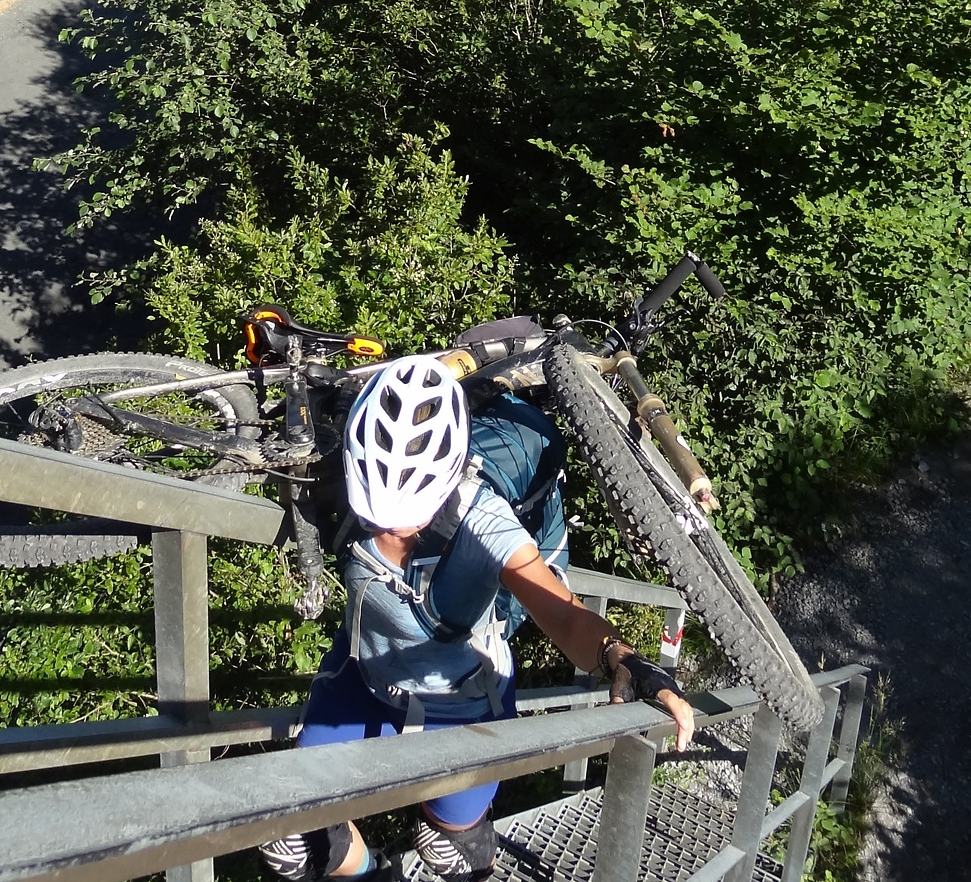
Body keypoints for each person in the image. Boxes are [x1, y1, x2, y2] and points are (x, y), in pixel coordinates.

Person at [260, 354, 696, 882]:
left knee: (454, 851)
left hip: (463, 706)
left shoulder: (482, 519)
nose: (390, 531)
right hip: (365, 677)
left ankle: (451, 835)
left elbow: (562, 612)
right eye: (375, 511)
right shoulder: (344, 475)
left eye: (407, 515)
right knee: (295, 840)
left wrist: (624, 661)